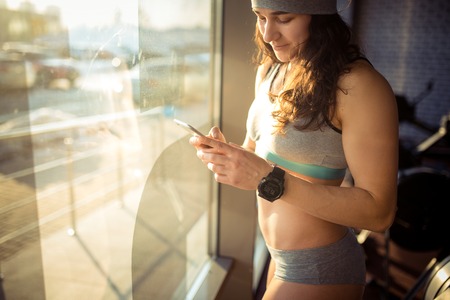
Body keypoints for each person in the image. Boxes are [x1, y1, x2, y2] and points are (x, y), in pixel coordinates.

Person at [189, 0, 398, 299]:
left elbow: (380, 213)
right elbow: (260, 158)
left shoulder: (359, 86)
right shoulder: (270, 70)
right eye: (260, 17)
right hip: (279, 259)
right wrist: (229, 156)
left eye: (283, 19)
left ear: (320, 17)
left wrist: (268, 179)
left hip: (321, 268)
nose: (268, 34)